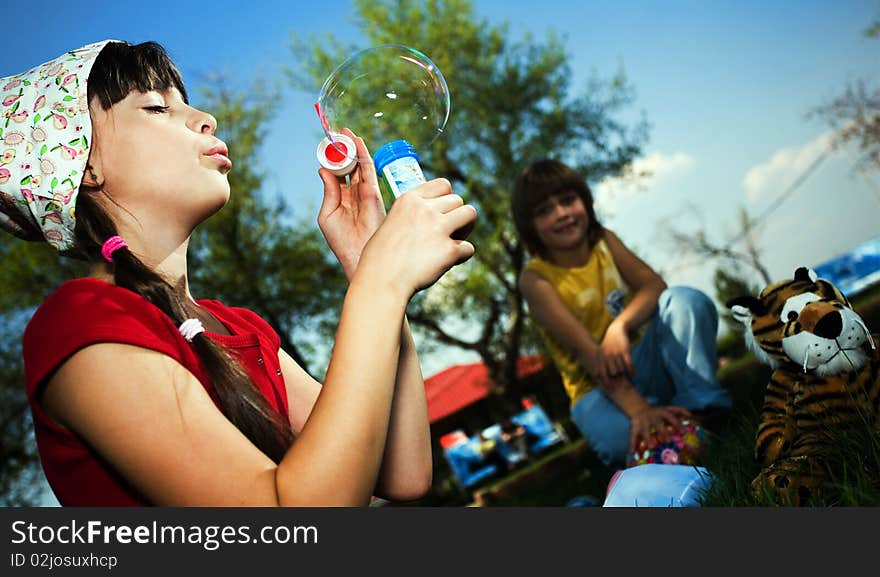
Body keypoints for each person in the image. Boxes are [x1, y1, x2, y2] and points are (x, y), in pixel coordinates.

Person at [0, 40, 477, 506]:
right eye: (156, 107)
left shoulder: (240, 328)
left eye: (185, 102)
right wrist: (380, 284)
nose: (205, 118)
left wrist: (367, 265)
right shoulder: (80, 323)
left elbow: (403, 472)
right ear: (81, 166)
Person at [511, 159, 730, 468]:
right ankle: (665, 435)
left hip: (643, 361)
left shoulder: (604, 242)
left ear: (584, 201)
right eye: (544, 210)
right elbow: (587, 353)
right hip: (596, 388)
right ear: (529, 225)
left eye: (567, 200)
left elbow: (654, 285)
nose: (561, 213)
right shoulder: (534, 280)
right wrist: (639, 410)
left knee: (683, 301)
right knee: (620, 442)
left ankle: (702, 411)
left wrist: (620, 326)